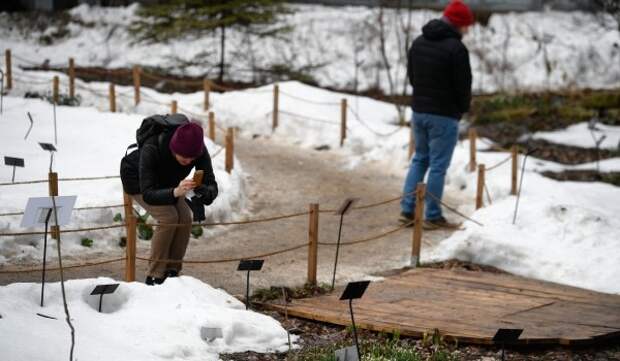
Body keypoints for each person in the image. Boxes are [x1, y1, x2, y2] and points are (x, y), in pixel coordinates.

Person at [400, 0, 474, 229]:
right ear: (458, 24)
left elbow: (412, 76)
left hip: (419, 111)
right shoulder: (456, 49)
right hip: (444, 115)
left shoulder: (419, 42)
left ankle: (407, 209)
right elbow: (463, 85)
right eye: (466, 25)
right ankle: (432, 215)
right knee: (438, 166)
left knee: (420, 158)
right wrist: (461, 108)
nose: (468, 30)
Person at [120, 114, 218, 285]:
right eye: (183, 158)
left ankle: (173, 270)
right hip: (138, 181)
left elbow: (211, 185)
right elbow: (149, 193)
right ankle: (155, 275)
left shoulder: (197, 149)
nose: (188, 162)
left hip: (169, 183)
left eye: (191, 159)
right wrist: (175, 192)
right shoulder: (152, 147)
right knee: (169, 217)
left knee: (186, 217)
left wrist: (202, 189)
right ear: (173, 149)